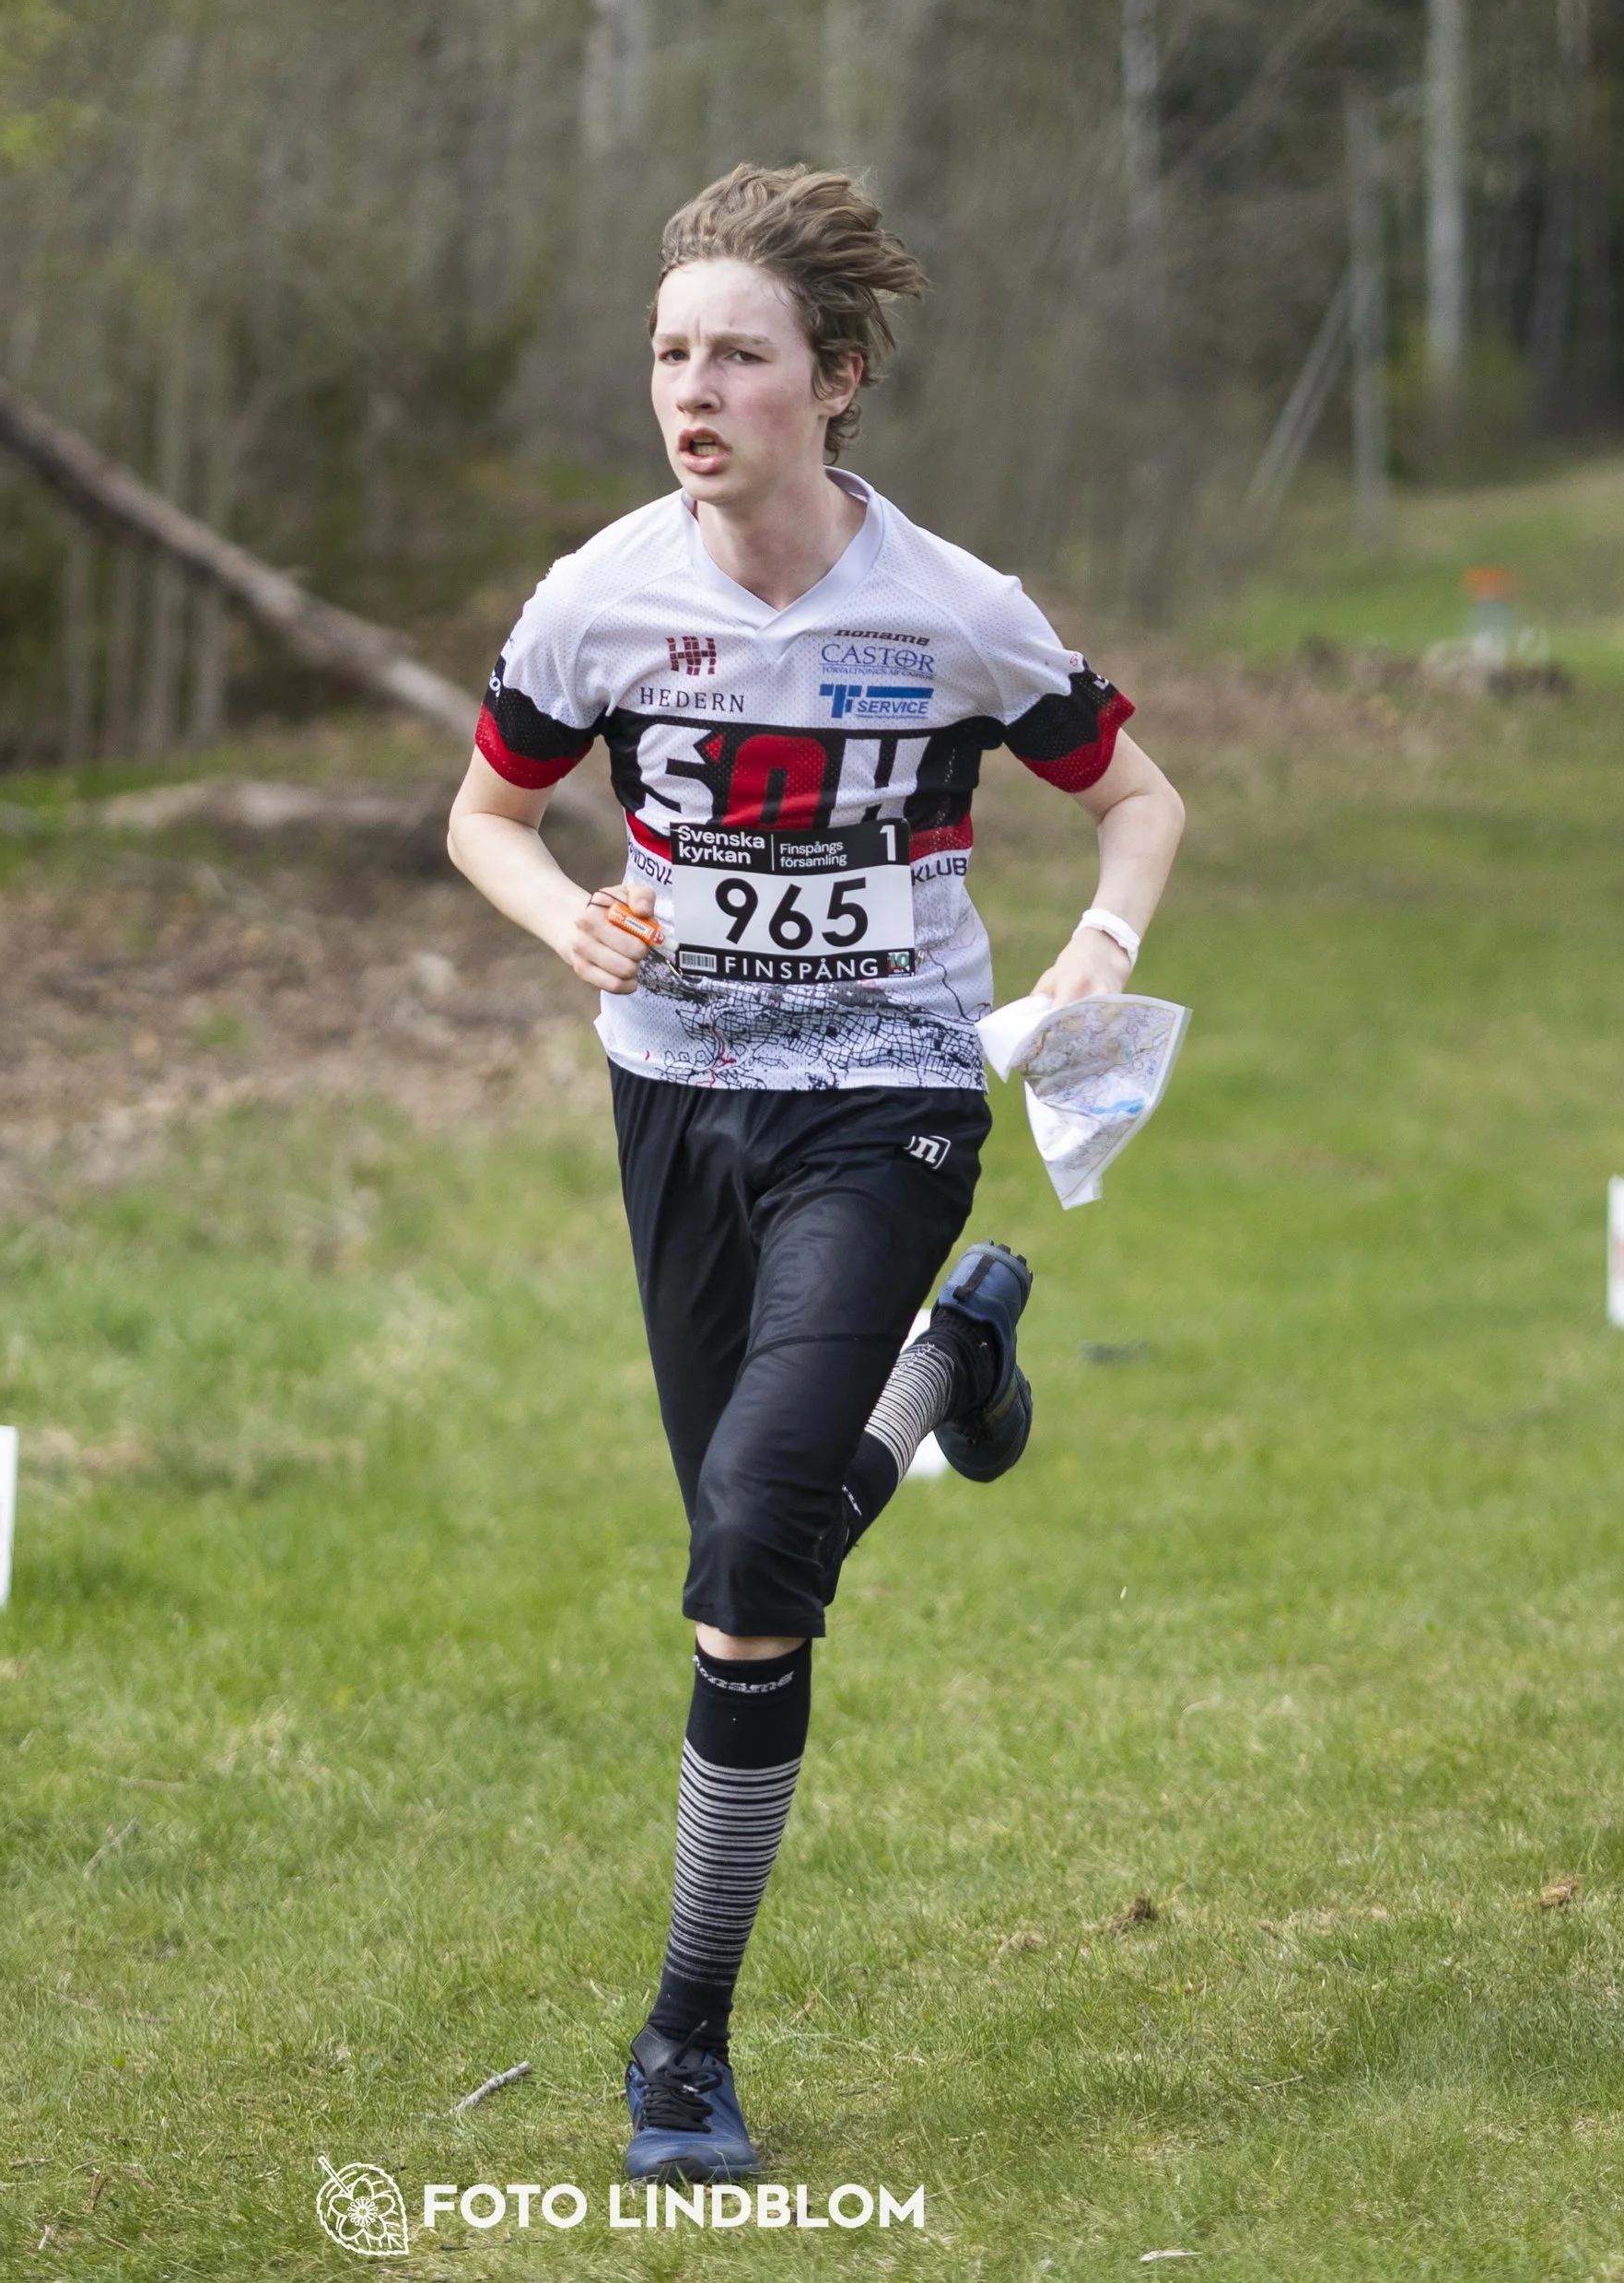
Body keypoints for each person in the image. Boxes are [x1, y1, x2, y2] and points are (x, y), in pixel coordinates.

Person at [447, 166, 1186, 2182]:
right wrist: (565, 922)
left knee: (752, 1552)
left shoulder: (949, 608)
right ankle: (950, 1366)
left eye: (736, 356)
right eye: (669, 351)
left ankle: (679, 2040)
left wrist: (1096, 947)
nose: (690, 388)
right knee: (747, 1558)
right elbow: (482, 815)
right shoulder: (597, 596)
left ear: (830, 380)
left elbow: (1132, 794)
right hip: (676, 1089)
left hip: (889, 1085)